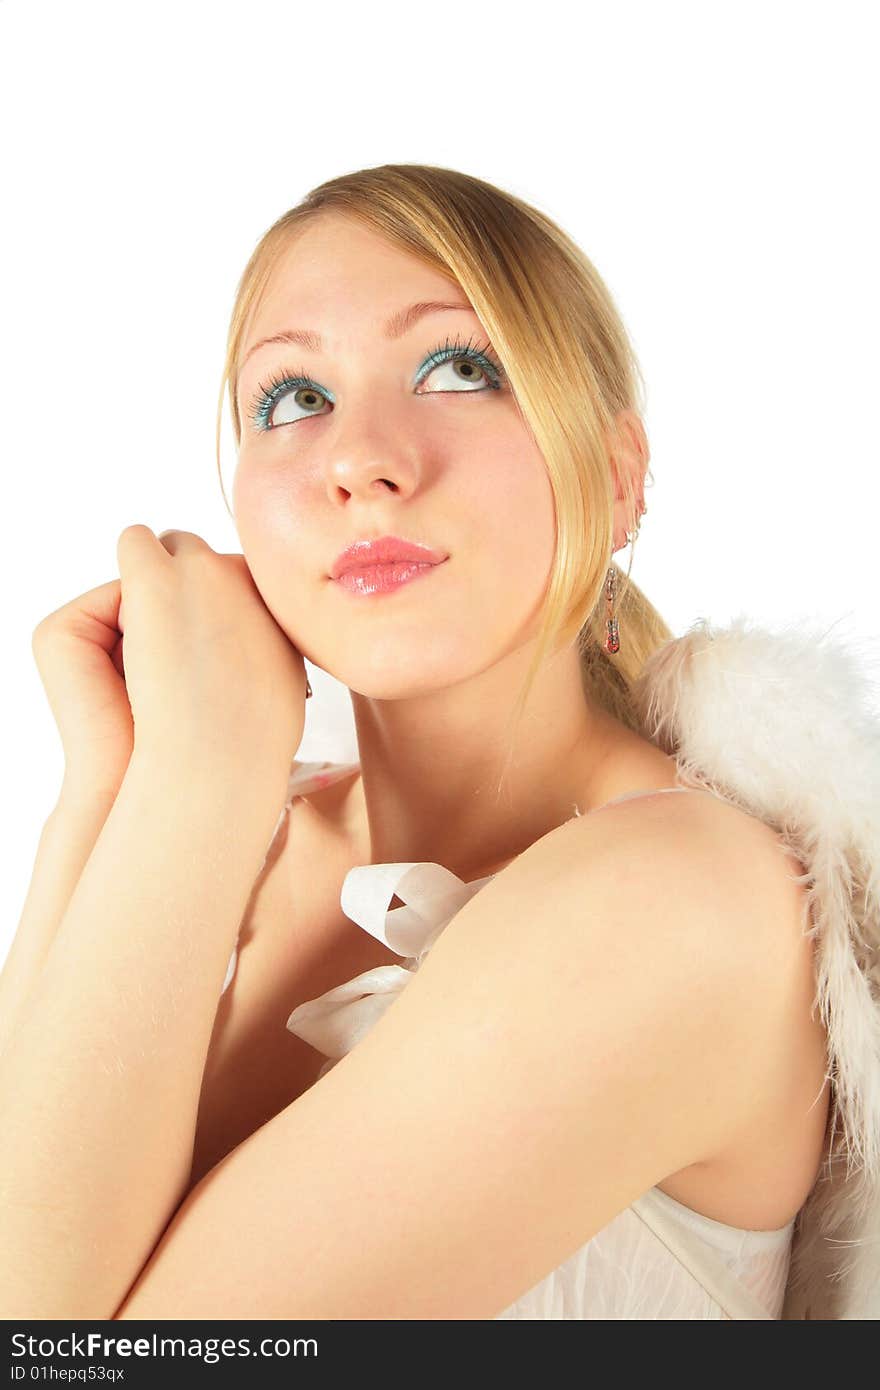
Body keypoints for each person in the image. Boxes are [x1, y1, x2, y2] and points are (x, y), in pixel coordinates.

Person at [2, 164, 878, 1321]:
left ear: (617, 479)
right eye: (292, 397)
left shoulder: (681, 903)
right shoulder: (236, 827)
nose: (360, 458)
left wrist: (196, 782)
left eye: (459, 368)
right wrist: (109, 791)